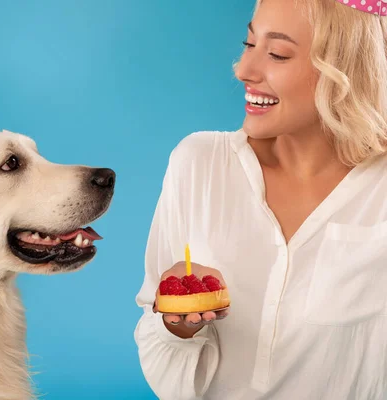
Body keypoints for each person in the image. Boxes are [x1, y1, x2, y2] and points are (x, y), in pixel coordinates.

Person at [134, 0, 387, 398]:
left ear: (346, 70)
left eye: (277, 54)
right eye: (249, 43)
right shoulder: (199, 163)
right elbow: (156, 342)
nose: (243, 70)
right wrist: (176, 327)